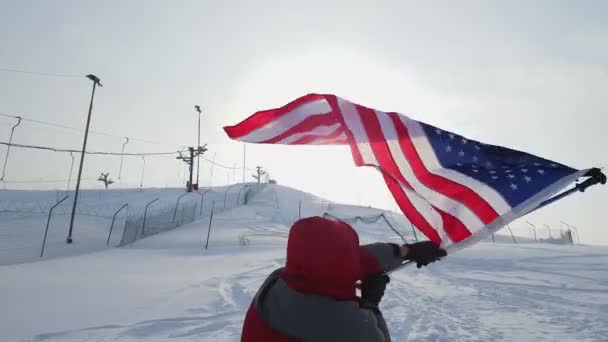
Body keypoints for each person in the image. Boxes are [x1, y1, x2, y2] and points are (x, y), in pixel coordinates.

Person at [241, 216, 447, 341]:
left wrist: (404, 252)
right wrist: (371, 305)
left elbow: (357, 258)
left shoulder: (276, 281)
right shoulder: (350, 325)